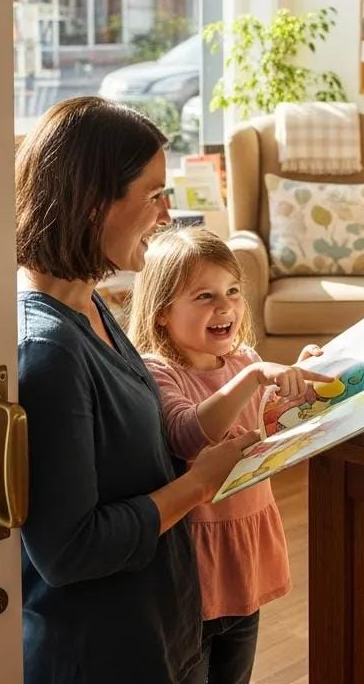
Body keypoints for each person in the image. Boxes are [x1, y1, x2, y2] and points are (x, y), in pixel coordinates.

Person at [16, 97, 256, 684]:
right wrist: (200, 483)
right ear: (94, 202)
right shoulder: (48, 351)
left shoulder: (91, 303)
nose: (164, 214)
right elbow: (70, 550)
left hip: (163, 626)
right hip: (105, 652)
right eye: (152, 195)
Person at [128, 226, 333, 684]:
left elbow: (270, 418)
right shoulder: (157, 371)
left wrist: (303, 373)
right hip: (197, 565)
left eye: (233, 291)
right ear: (162, 312)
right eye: (204, 296)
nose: (225, 307)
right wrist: (256, 376)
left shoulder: (242, 361)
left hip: (247, 554)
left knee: (236, 673)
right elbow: (187, 435)